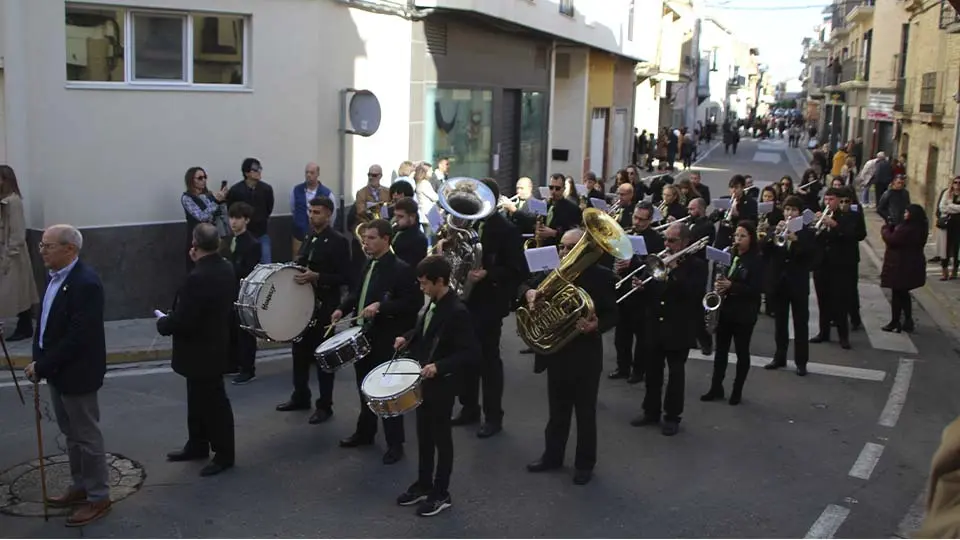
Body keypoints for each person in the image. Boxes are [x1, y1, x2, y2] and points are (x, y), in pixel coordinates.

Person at [24, 224, 110, 526]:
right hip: (57, 372)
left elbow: (77, 338)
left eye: (47, 246)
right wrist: (39, 358)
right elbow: (46, 323)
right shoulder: (55, 278)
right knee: (71, 434)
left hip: (78, 373)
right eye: (41, 245)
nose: (42, 251)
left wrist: (42, 365)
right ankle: (80, 485)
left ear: (69, 249)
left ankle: (98, 497)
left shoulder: (85, 283)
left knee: (86, 436)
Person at [521, 228, 618, 485]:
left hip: (585, 355)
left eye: (571, 247)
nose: (564, 252)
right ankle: (552, 456)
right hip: (557, 352)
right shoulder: (554, 273)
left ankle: (584, 464)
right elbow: (526, 287)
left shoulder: (603, 277)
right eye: (562, 247)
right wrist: (529, 294)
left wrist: (597, 326)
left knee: (585, 413)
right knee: (557, 411)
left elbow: (613, 314)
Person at [394, 255, 480, 517]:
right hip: (424, 381)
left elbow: (470, 353)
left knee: (441, 439)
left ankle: (441, 492)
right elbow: (425, 333)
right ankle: (423, 483)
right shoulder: (434, 302)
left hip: (442, 383)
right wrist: (406, 338)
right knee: (423, 435)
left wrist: (439, 367)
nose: (421, 288)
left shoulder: (457, 311)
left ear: (439, 281)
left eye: (424, 284)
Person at [331, 219, 422, 464]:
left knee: (386, 392)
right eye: (365, 238)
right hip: (363, 335)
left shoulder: (401, 269)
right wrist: (342, 309)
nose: (366, 243)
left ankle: (395, 444)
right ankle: (366, 432)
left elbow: (413, 304)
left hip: (385, 338)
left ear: (386, 239)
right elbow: (357, 292)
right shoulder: (368, 264)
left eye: (372, 238)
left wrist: (382, 306)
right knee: (363, 387)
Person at [157, 223, 236, 477]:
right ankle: (197, 444)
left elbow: (184, 319)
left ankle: (224, 454)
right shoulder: (224, 267)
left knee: (213, 403)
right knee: (198, 399)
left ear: (194, 244)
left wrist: (163, 323)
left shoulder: (197, 277)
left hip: (200, 348)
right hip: (216, 344)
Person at [451, 179, 526, 437]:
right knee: (466, 357)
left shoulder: (506, 229)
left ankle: (493, 417)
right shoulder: (470, 223)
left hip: (489, 303)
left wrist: (489, 274)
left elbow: (517, 269)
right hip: (466, 300)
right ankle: (469, 407)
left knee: (488, 361)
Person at [276, 196, 351, 423]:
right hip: (302, 306)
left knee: (323, 357)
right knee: (299, 352)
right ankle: (300, 396)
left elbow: (345, 277)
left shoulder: (338, 241)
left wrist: (318, 277)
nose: (312, 215)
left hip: (324, 307)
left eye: (317, 212)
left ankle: (325, 405)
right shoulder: (309, 237)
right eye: (311, 211)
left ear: (328, 214)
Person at [632, 222, 708, 436]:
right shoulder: (659, 261)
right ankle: (651, 411)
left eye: (672, 241)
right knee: (653, 372)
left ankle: (672, 416)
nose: (667, 244)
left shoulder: (697, 266)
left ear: (685, 242)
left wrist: (673, 273)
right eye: (665, 239)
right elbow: (654, 293)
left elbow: (692, 294)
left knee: (676, 375)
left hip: (679, 327)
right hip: (656, 324)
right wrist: (641, 288)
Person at [700, 221, 764, 405]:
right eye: (736, 235)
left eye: (742, 236)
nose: (738, 239)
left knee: (742, 352)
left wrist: (732, 286)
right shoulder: (730, 255)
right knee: (721, 351)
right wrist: (719, 285)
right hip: (726, 310)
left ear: (751, 238)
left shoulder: (756, 260)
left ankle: (737, 391)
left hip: (744, 313)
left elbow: (756, 288)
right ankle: (716, 387)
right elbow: (721, 276)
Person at [763, 196, 817, 375]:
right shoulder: (778, 227)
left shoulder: (807, 232)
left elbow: (810, 257)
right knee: (780, 323)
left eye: (793, 210)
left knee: (801, 324)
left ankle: (801, 362)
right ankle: (779, 357)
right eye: (787, 210)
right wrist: (772, 235)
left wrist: (796, 240)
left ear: (799, 213)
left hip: (798, 283)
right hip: (780, 283)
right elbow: (766, 251)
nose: (789, 213)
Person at [611, 203, 664, 383]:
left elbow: (655, 265)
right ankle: (623, 367)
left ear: (650, 220)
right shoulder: (626, 233)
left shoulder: (656, 239)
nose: (637, 222)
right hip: (624, 289)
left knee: (641, 337)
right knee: (621, 336)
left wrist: (632, 264)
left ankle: (638, 371)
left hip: (642, 292)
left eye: (642, 219)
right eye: (635, 217)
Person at [811, 187, 859, 349]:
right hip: (821, 264)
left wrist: (835, 225)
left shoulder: (849, 216)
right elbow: (814, 238)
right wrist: (815, 225)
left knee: (840, 303)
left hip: (839, 266)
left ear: (838, 201)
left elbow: (852, 236)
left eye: (831, 200)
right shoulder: (821, 215)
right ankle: (823, 332)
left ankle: (843, 336)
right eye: (826, 200)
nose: (828, 203)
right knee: (822, 300)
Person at [0, 165, 38, 341]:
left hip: (12, 254)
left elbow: (17, 232)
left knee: (17, 291)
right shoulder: (5, 200)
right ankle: (24, 326)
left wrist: (8, 255)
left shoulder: (13, 202)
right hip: (6, 252)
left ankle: (24, 326)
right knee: (16, 292)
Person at [225, 202, 261, 383]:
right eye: (231, 217)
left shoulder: (252, 243)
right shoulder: (231, 240)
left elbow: (248, 270)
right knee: (231, 328)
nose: (233, 222)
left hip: (244, 292)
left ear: (246, 220)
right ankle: (233, 363)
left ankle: (248, 368)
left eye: (237, 218)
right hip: (230, 291)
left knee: (245, 332)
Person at [880, 204, 929, 333]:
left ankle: (895, 321)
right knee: (903, 293)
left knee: (897, 294)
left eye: (907, 212)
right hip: (910, 264)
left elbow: (892, 239)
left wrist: (885, 229)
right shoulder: (920, 226)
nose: (905, 214)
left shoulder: (908, 228)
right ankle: (907, 320)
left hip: (901, 265)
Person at [226, 158, 274, 264]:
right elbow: (231, 210)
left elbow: (269, 208)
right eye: (255, 169)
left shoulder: (266, 189)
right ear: (247, 172)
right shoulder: (236, 190)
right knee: (242, 263)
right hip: (243, 233)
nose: (259, 171)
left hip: (261, 232)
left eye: (260, 168)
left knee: (266, 264)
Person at [181, 166, 228, 272]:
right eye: (200, 178)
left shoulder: (206, 196)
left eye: (205, 177)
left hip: (211, 237)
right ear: (191, 180)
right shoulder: (187, 198)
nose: (204, 180)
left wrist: (221, 201)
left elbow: (216, 214)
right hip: (196, 238)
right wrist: (215, 201)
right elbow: (201, 216)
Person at [290, 162, 335, 257]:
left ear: (318, 174)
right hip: (299, 235)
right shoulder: (296, 190)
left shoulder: (327, 193)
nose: (308, 175)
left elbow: (332, 215)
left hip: (319, 236)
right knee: (297, 261)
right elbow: (293, 209)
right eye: (306, 172)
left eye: (311, 172)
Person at [538, 173, 582, 247]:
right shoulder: (545, 204)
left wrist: (554, 233)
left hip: (559, 248)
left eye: (557, 188)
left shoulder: (573, 209)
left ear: (563, 189)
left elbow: (575, 235)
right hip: (543, 245)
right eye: (551, 187)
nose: (553, 191)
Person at [390, 197, 428, 268]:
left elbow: (409, 267)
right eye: (395, 215)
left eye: (400, 216)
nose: (396, 220)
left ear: (412, 217)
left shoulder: (419, 239)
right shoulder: (396, 229)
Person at [939, 177, 960, 280]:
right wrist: (956, 208)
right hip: (947, 224)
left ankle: (954, 271)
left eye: (959, 183)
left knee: (956, 248)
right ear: (952, 183)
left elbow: (946, 207)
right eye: (955, 182)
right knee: (945, 248)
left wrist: (950, 206)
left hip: (958, 225)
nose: (957, 184)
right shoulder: (947, 193)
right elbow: (942, 207)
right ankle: (944, 271)